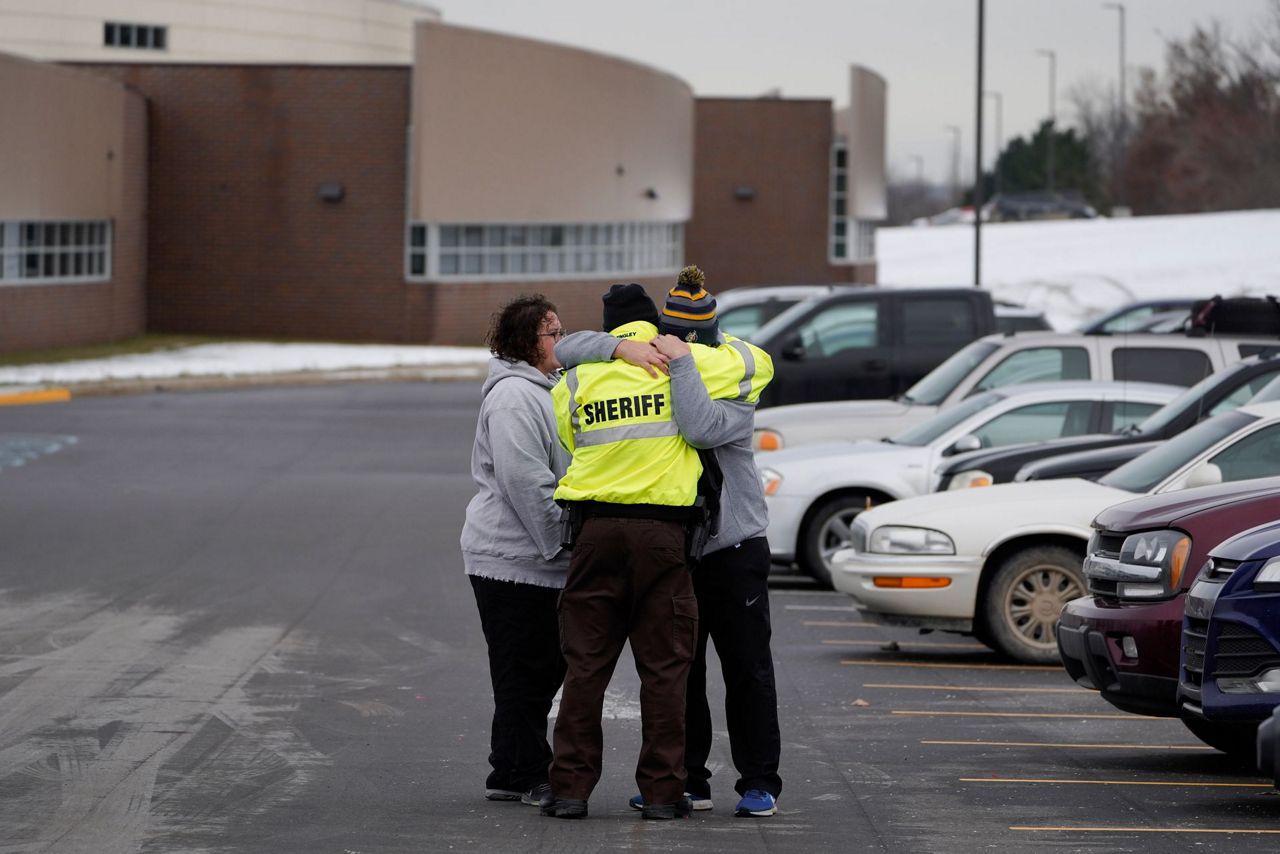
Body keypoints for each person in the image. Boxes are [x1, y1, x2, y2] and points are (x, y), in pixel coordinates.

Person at [557, 267, 782, 818]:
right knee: (680, 670)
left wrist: (677, 361)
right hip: (677, 546)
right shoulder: (656, 364)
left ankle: (759, 780)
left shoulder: (728, 374)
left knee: (746, 667)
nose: (676, 340)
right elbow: (568, 347)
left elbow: (699, 427)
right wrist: (621, 351)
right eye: (668, 331)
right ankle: (687, 778)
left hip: (731, 544)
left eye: (686, 335)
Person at [460, 294, 569, 807]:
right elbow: (525, 480)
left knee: (535, 668)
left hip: (532, 561)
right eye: (553, 333)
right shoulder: (513, 398)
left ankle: (508, 767)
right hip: (511, 560)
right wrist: (560, 543)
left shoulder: (543, 389)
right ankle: (529, 772)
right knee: (526, 670)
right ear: (529, 342)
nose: (561, 342)